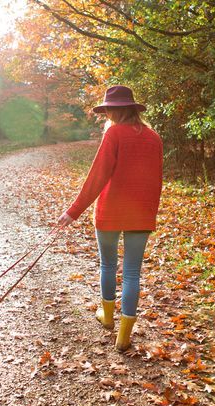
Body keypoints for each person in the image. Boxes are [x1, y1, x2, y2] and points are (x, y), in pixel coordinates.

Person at [57, 85, 163, 352]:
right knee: (131, 273)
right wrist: (149, 212)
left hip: (111, 211)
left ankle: (107, 318)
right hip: (141, 213)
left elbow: (97, 176)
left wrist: (73, 211)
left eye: (109, 111)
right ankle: (124, 336)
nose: (108, 116)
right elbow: (155, 182)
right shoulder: (154, 138)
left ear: (116, 111)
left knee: (108, 265)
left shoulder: (114, 134)